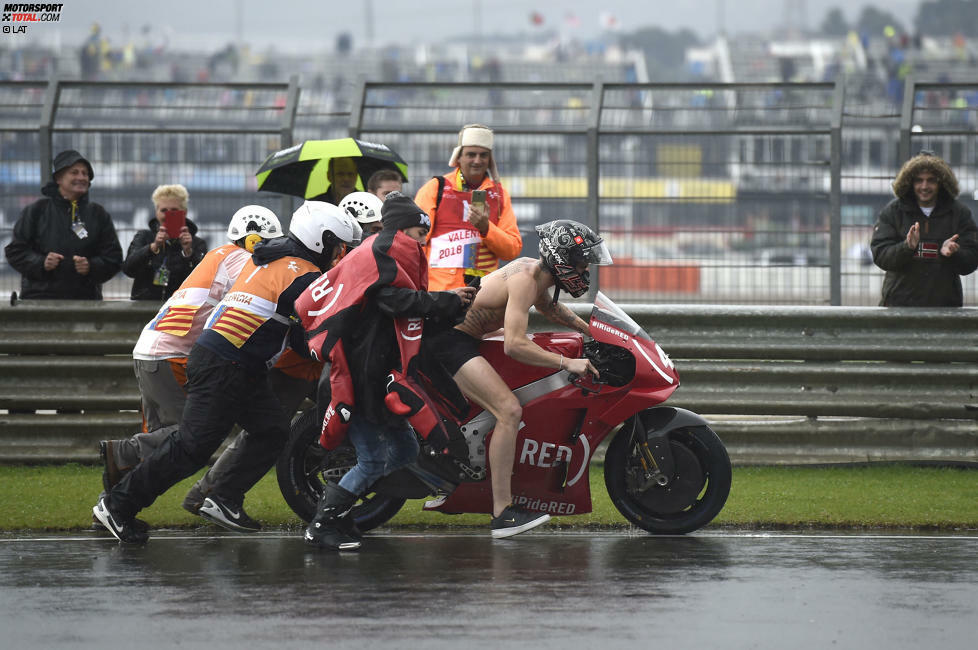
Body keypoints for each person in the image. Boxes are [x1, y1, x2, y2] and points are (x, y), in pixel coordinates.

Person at [93, 201, 361, 543]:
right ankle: (118, 505)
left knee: (272, 429)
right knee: (192, 446)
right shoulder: (303, 274)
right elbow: (316, 329)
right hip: (225, 362)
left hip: (235, 362)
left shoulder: (276, 259)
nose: (340, 256)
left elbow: (294, 334)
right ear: (320, 239)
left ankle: (223, 497)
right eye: (338, 247)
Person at [298, 192, 476, 551]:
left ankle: (342, 507)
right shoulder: (381, 257)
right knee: (374, 459)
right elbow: (396, 301)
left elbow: (404, 303)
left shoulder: (378, 258)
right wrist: (450, 299)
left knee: (406, 452)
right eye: (418, 232)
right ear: (401, 230)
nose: (422, 241)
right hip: (359, 382)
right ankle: (321, 524)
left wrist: (450, 301)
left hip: (377, 379)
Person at [427, 219, 611, 538]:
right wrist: (568, 362)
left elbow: (553, 311)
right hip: (448, 340)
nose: (584, 270)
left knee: (525, 359)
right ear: (560, 257)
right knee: (509, 411)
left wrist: (591, 332)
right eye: (581, 263)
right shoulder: (526, 279)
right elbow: (513, 345)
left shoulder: (535, 275)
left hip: (460, 335)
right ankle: (502, 513)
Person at [99, 205, 285, 495]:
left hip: (152, 350)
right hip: (173, 353)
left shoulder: (219, 254)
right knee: (193, 436)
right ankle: (123, 452)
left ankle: (110, 505)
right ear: (254, 242)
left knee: (162, 449)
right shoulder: (244, 261)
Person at [414, 123, 522, 291]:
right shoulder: (435, 188)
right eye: (471, 154)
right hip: (440, 294)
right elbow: (415, 241)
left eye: (483, 155)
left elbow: (512, 250)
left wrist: (486, 228)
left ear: (490, 159)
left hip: (483, 295)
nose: (477, 161)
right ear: (459, 157)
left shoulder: (499, 195)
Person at [4, 150, 122, 300]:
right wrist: (42, 263)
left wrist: (91, 267)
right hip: (39, 301)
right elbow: (15, 251)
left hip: (85, 303)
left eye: (85, 174)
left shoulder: (98, 214)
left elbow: (114, 258)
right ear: (59, 178)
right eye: (74, 172)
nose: (81, 177)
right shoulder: (36, 211)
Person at [871, 150, 978, 306]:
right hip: (899, 307)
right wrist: (906, 247)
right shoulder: (893, 212)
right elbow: (880, 255)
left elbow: (972, 259)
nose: (924, 186)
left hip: (945, 310)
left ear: (941, 183)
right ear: (909, 182)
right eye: (919, 180)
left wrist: (955, 253)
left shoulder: (959, 213)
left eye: (931, 180)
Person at [122, 184, 208, 301]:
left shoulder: (197, 244)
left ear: (185, 212)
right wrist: (152, 248)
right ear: (156, 212)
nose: (168, 215)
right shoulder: (144, 237)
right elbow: (128, 269)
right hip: (145, 308)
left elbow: (203, 280)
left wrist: (188, 253)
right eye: (163, 210)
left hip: (179, 309)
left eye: (174, 210)